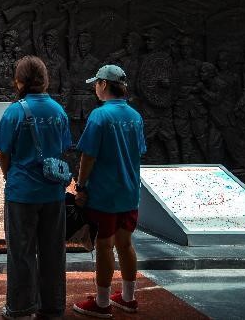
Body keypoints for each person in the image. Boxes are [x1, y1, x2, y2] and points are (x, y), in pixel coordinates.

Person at [0, 55, 71, 320]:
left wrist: (10, 177)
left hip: (22, 193)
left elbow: (3, 153)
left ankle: (20, 307)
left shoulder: (14, 112)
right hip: (53, 193)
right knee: (53, 251)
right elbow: (63, 148)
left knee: (21, 252)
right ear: (45, 79)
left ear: (19, 81)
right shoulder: (58, 111)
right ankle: (52, 305)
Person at [73, 65, 146, 318]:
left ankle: (102, 303)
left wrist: (81, 186)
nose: (95, 87)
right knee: (125, 244)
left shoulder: (100, 116)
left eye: (96, 83)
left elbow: (88, 156)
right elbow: (138, 151)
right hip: (130, 193)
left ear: (104, 84)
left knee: (104, 245)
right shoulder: (135, 116)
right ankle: (128, 298)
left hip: (105, 195)